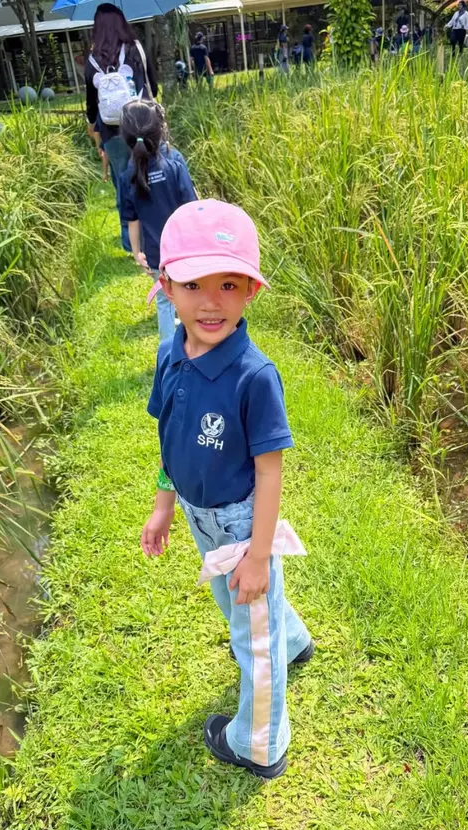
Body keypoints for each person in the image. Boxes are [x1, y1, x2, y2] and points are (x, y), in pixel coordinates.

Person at [141, 199, 314, 778]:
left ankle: (260, 743)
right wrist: (164, 506)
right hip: (198, 516)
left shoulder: (254, 377)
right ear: (167, 286)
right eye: (194, 284)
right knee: (241, 609)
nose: (210, 302)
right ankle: (292, 639)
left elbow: (270, 472)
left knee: (251, 640)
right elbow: (170, 437)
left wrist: (260, 555)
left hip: (241, 526)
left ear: (251, 291)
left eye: (229, 284)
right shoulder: (171, 354)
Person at [118, 100, 197, 341]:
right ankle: (196, 343)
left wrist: (137, 252)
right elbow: (191, 206)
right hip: (185, 248)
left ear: (125, 137)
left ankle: (167, 352)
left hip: (156, 253)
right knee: (191, 292)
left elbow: (132, 220)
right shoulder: (174, 161)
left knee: (164, 300)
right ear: (160, 128)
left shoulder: (127, 174)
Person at [85, 4, 158, 252]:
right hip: (143, 124)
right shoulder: (135, 48)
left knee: (123, 183)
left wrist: (92, 125)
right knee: (151, 174)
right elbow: (153, 86)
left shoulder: (93, 60)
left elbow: (91, 103)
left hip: (111, 131)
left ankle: (131, 244)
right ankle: (157, 232)